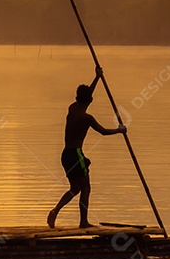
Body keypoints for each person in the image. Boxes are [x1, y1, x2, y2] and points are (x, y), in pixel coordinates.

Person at [47, 67, 127, 228]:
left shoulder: (73, 109)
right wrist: (119, 130)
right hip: (76, 154)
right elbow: (103, 132)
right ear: (90, 101)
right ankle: (83, 222)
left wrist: (97, 77)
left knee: (75, 188)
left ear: (77, 98)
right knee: (86, 188)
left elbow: (86, 95)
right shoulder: (87, 118)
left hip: (66, 155)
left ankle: (55, 210)